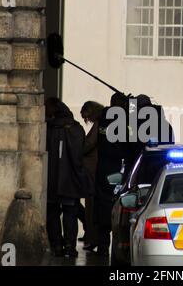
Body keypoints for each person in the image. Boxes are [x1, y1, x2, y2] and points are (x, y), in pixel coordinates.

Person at [45, 98, 92, 258]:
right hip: (70, 180)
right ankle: (70, 247)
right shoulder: (77, 129)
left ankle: (57, 245)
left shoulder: (47, 129)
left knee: (52, 214)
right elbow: (81, 156)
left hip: (51, 180)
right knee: (70, 214)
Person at [94, 92, 129, 256]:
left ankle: (102, 245)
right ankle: (115, 246)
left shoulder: (104, 117)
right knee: (116, 206)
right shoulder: (123, 121)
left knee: (102, 205)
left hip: (102, 167)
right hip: (117, 168)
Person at [79, 101, 104, 252]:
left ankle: (92, 237)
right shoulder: (101, 124)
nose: (86, 120)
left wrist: (77, 150)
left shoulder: (98, 125)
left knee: (92, 205)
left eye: (86, 116)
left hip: (92, 171)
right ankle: (91, 235)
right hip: (94, 171)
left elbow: (88, 144)